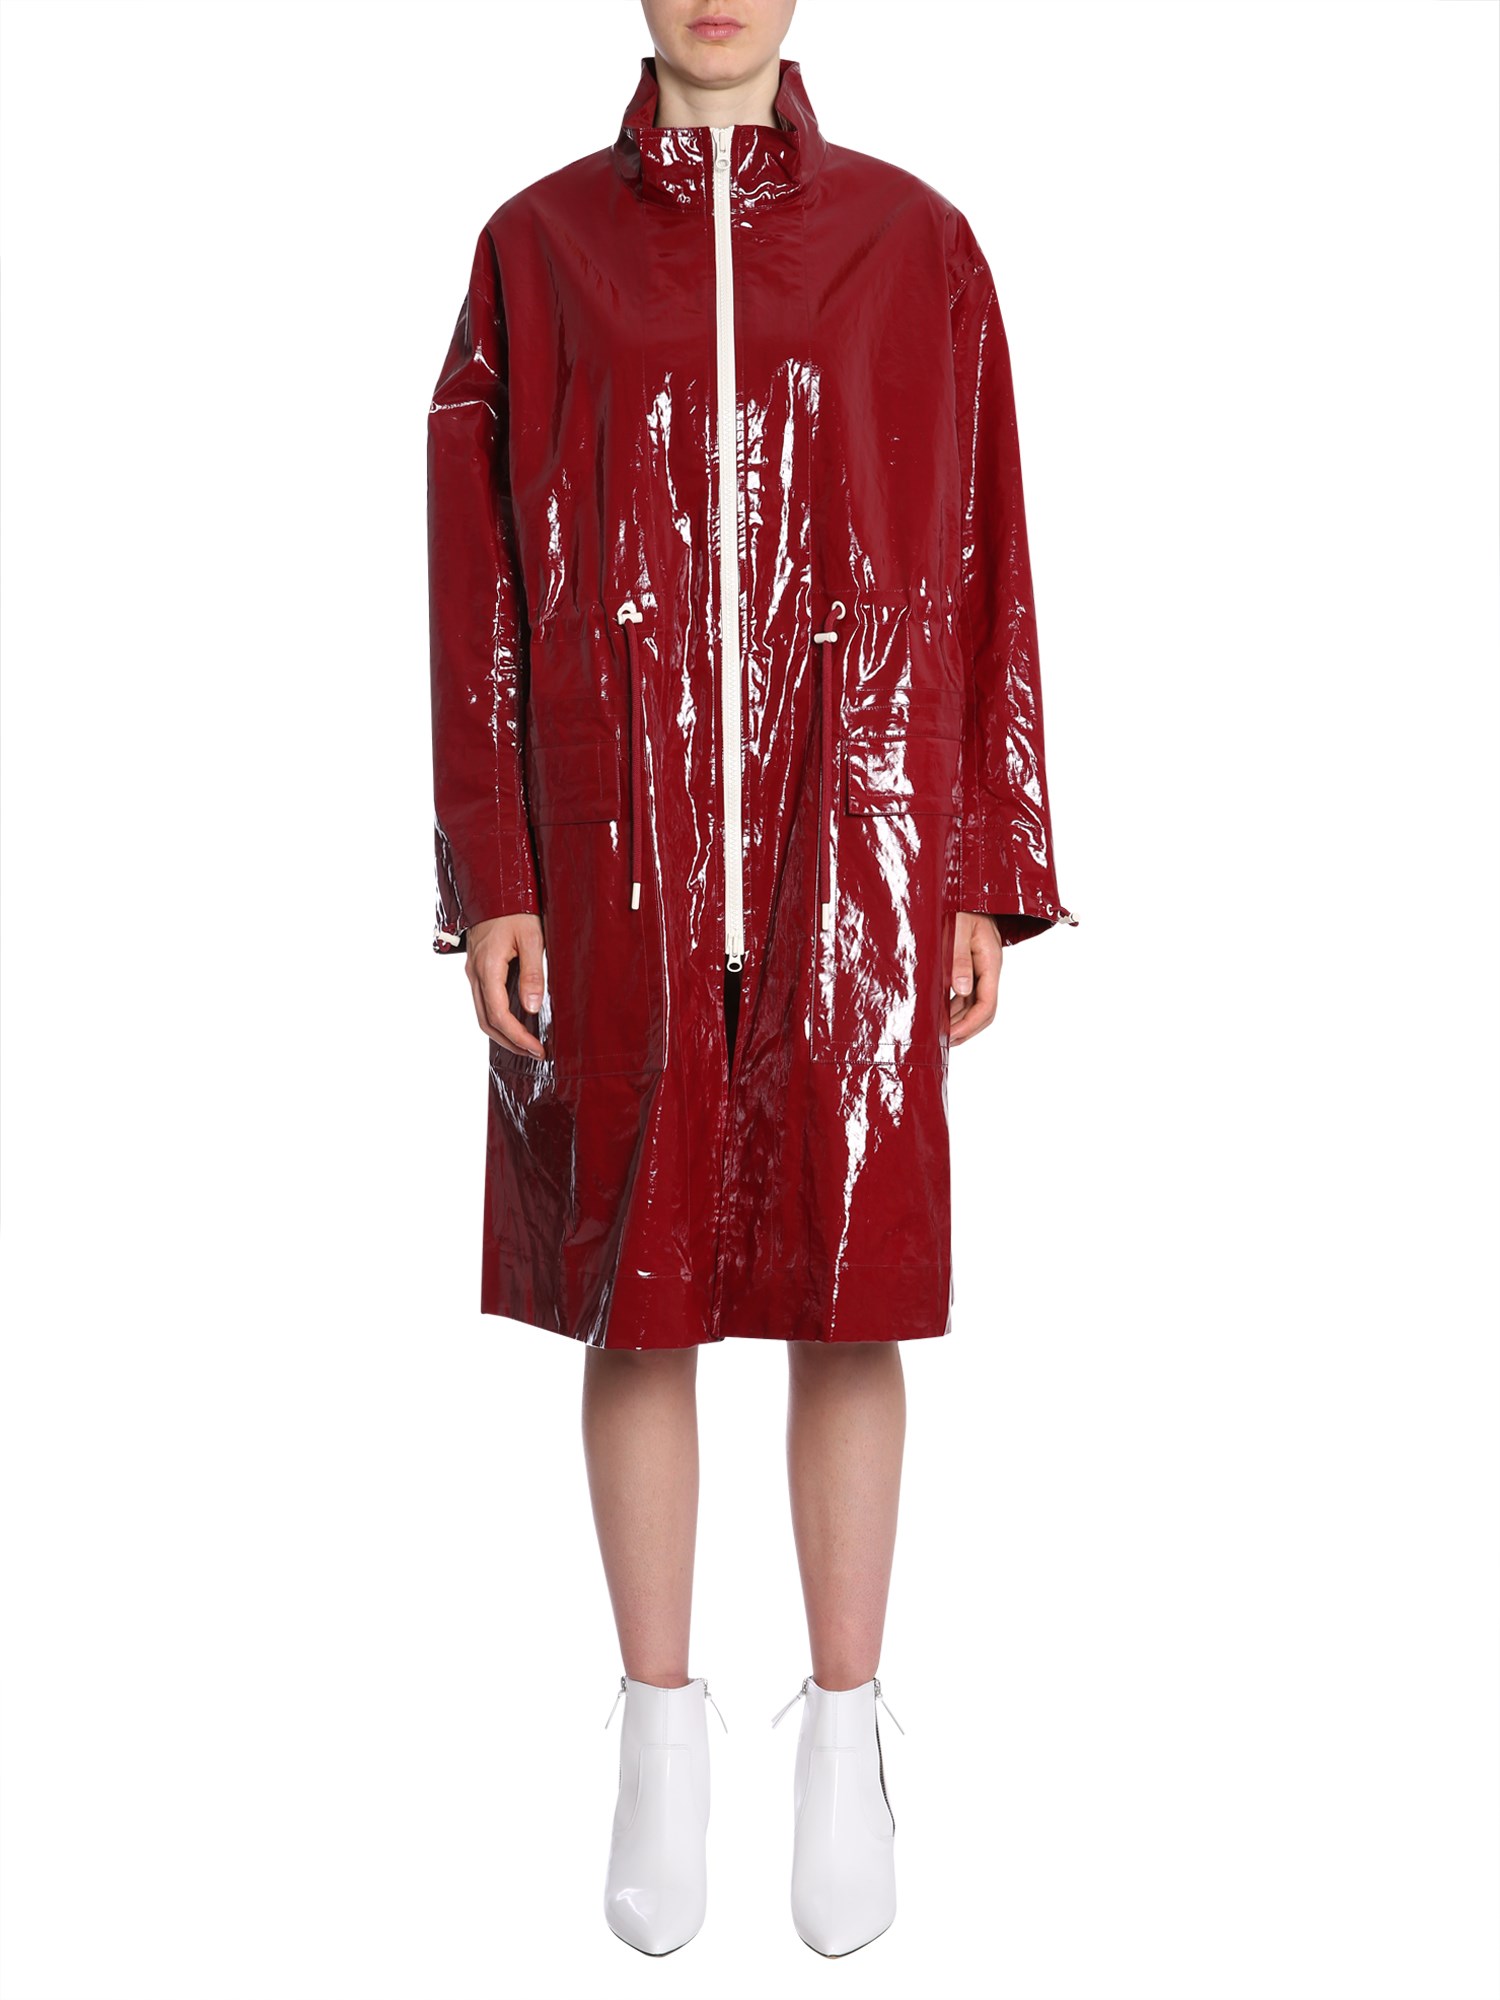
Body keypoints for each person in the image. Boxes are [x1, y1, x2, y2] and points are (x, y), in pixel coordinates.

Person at [426, 0, 1075, 1960]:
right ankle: (657, 1726)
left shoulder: (914, 245)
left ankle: (847, 1731)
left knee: (847, 1279)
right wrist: (498, 868)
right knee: (637, 1294)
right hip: (613, 847)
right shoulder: (537, 251)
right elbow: (476, 585)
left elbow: (986, 560)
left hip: (848, 839)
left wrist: (980, 861)